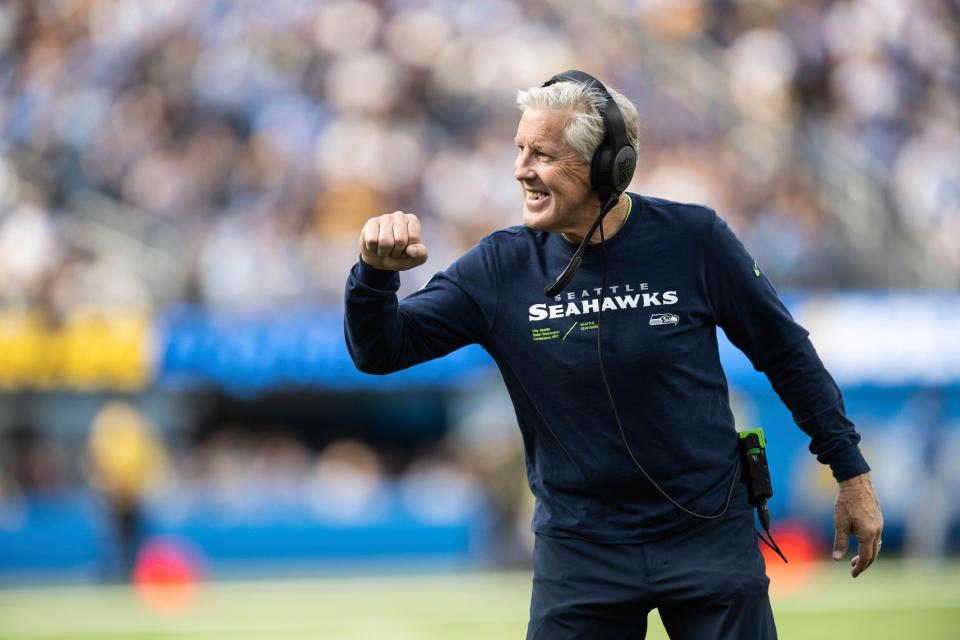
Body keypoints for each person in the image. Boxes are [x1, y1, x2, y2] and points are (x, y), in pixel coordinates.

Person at [343, 70, 883, 639]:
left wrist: (851, 473)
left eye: (543, 154)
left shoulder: (694, 239)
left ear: (608, 166)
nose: (521, 169)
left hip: (706, 532)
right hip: (581, 549)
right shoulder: (500, 268)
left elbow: (787, 354)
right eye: (520, 149)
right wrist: (374, 278)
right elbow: (381, 351)